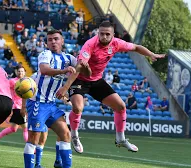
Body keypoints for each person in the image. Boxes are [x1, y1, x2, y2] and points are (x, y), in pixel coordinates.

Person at [56, 21, 165, 153]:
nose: (104, 37)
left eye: (108, 34)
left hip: (96, 80)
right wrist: (66, 87)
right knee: (78, 107)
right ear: (98, 33)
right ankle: (74, 135)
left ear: (113, 35)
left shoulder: (117, 43)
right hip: (79, 79)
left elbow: (136, 47)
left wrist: (151, 54)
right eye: (101, 34)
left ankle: (120, 139)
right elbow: (79, 67)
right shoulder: (90, 45)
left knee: (120, 106)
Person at [23, 30, 87, 168]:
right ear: (47, 43)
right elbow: (44, 70)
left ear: (62, 41)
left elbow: (82, 70)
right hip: (37, 103)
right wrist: (64, 71)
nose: (53, 42)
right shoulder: (45, 55)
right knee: (33, 138)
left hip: (51, 104)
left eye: (56, 39)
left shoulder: (68, 58)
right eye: (50, 39)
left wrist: (85, 66)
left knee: (65, 134)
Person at [0, 66, 28, 150]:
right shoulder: (13, 82)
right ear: (16, 72)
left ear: (25, 72)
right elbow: (4, 87)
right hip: (17, 107)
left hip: (21, 106)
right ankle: (31, 149)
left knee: (13, 129)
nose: (20, 73)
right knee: (25, 128)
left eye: (22, 71)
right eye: (19, 71)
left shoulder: (27, 82)